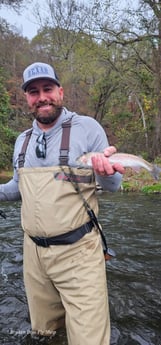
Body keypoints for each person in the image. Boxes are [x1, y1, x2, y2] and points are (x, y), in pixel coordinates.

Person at [0, 62, 124, 345]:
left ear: (61, 92)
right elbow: (15, 190)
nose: (42, 96)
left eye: (47, 89)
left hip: (79, 252)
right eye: (34, 91)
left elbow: (113, 187)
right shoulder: (22, 141)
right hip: (33, 255)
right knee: (45, 334)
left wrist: (106, 172)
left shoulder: (87, 128)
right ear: (27, 99)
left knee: (89, 339)